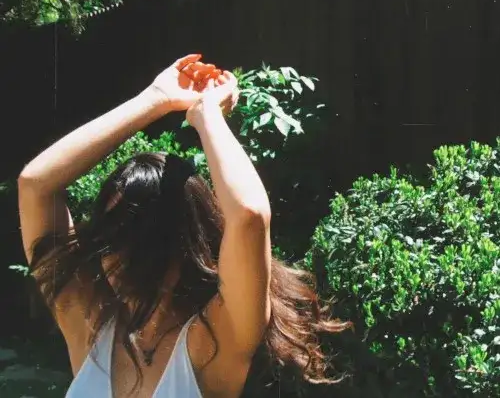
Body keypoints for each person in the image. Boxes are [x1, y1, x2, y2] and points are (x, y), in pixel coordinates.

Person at [18, 54, 350, 397]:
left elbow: (249, 215)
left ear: (183, 245)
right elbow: (34, 185)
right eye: (109, 236)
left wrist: (208, 115)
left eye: (137, 237)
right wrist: (155, 99)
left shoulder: (213, 341)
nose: (117, 255)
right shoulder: (89, 323)